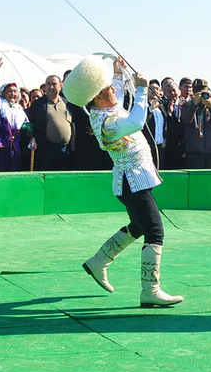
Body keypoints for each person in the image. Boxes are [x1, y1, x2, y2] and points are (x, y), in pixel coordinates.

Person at [64, 54, 182, 307]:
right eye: (108, 88)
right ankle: (150, 290)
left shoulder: (102, 105)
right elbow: (136, 121)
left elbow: (114, 88)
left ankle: (98, 261)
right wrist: (141, 90)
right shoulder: (106, 122)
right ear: (97, 96)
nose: (113, 90)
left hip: (133, 179)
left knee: (139, 227)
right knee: (155, 231)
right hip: (132, 181)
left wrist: (117, 73)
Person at [0, 56, 30, 171]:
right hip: (0, 148)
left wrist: (32, 138)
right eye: (9, 91)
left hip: (15, 149)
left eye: (15, 91)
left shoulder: (20, 110)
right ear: (3, 93)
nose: (12, 94)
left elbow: (27, 128)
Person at [26, 74, 75, 171]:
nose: (51, 87)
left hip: (65, 151)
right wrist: (32, 137)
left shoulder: (67, 103)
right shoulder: (38, 104)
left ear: (60, 86)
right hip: (46, 151)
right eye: (48, 84)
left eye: (54, 84)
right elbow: (29, 123)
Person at [181, 79, 211, 169]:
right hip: (194, 150)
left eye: (204, 92)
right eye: (198, 92)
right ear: (194, 92)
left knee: (210, 179)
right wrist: (194, 105)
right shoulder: (187, 105)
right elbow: (186, 120)